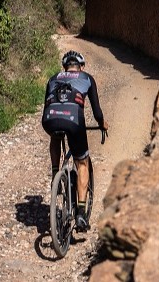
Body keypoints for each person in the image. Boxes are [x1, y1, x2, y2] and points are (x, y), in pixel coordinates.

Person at [42, 50, 108, 232]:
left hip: (49, 119)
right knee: (82, 162)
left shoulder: (53, 78)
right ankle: (80, 213)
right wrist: (102, 124)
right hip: (74, 122)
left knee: (55, 136)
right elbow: (97, 112)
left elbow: (47, 103)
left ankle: (56, 172)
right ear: (82, 67)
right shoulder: (86, 78)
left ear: (64, 67)